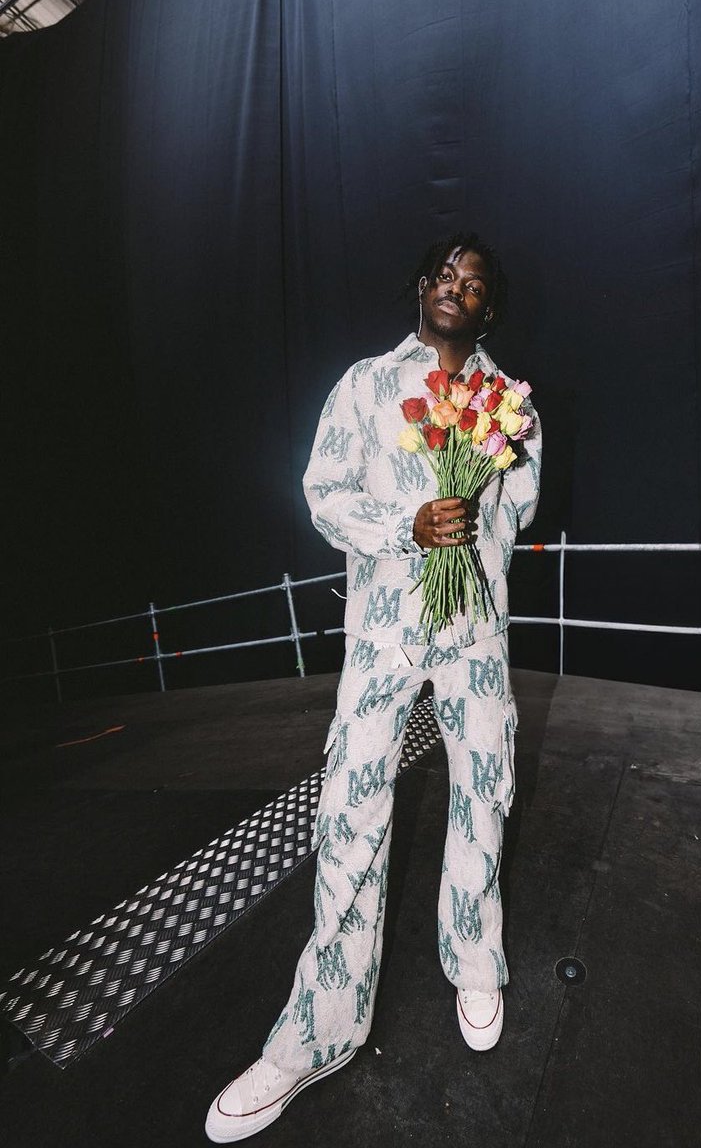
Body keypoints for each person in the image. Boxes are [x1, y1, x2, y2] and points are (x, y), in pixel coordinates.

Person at [205, 233, 542, 1143]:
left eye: (474, 284)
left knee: (483, 796)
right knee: (349, 814)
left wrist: (473, 495)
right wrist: (409, 523)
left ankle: (476, 959)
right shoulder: (361, 385)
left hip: (473, 633)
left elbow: (520, 509)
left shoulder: (513, 406)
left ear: (488, 311)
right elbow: (321, 493)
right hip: (383, 638)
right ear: (421, 288)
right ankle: (316, 1033)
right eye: (443, 274)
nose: (454, 289)